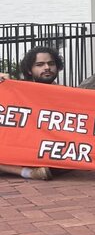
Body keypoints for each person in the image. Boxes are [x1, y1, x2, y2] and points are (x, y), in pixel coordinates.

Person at [0, 46, 63, 180]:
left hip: (55, 154)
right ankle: (28, 173)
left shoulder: (69, 95)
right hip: (22, 149)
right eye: (40, 65)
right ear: (29, 70)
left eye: (51, 63)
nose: (47, 67)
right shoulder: (18, 92)